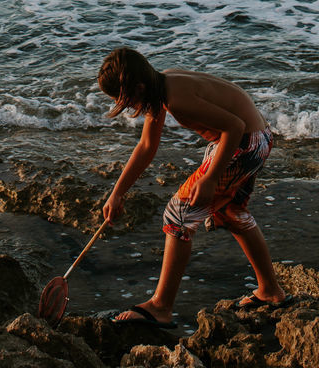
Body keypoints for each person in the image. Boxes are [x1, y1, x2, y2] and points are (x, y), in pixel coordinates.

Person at [98, 47, 288, 327]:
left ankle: (161, 306)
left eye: (124, 100)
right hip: (258, 138)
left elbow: (234, 127)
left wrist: (211, 179)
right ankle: (270, 291)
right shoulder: (162, 84)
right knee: (230, 212)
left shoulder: (176, 99)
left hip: (243, 143)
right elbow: (147, 146)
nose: (127, 108)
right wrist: (117, 193)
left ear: (138, 88)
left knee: (178, 215)